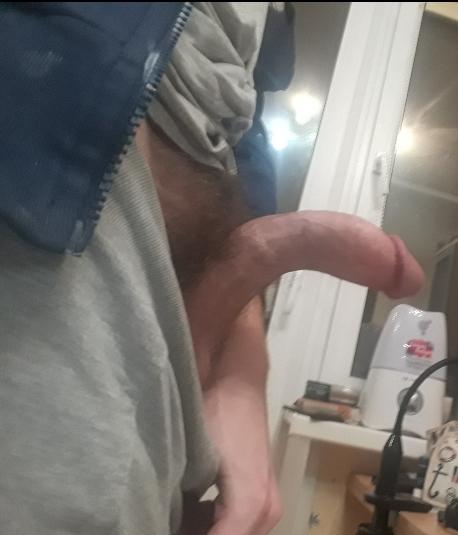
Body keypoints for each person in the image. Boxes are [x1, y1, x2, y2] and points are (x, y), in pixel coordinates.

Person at [0, 3, 424, 535]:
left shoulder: (266, 31)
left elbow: (234, 130)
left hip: (161, 330)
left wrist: (240, 363)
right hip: (52, 172)